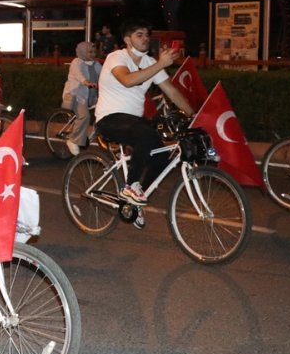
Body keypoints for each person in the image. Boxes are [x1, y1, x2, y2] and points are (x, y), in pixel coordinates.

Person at [94, 20, 193, 229]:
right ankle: (130, 186)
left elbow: (172, 92)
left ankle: (136, 200)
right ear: (127, 40)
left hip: (134, 121)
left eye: (147, 35)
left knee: (164, 154)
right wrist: (160, 64)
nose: (145, 38)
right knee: (146, 135)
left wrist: (194, 115)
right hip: (110, 118)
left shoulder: (149, 63)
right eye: (139, 35)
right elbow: (128, 80)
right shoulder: (116, 57)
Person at [62, 41, 101, 156]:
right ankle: (73, 140)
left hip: (91, 94)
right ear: (83, 52)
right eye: (90, 52)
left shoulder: (95, 64)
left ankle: (86, 137)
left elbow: (105, 73)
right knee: (84, 116)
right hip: (77, 95)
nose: (93, 54)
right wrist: (86, 82)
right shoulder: (76, 62)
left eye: (94, 52)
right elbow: (78, 74)